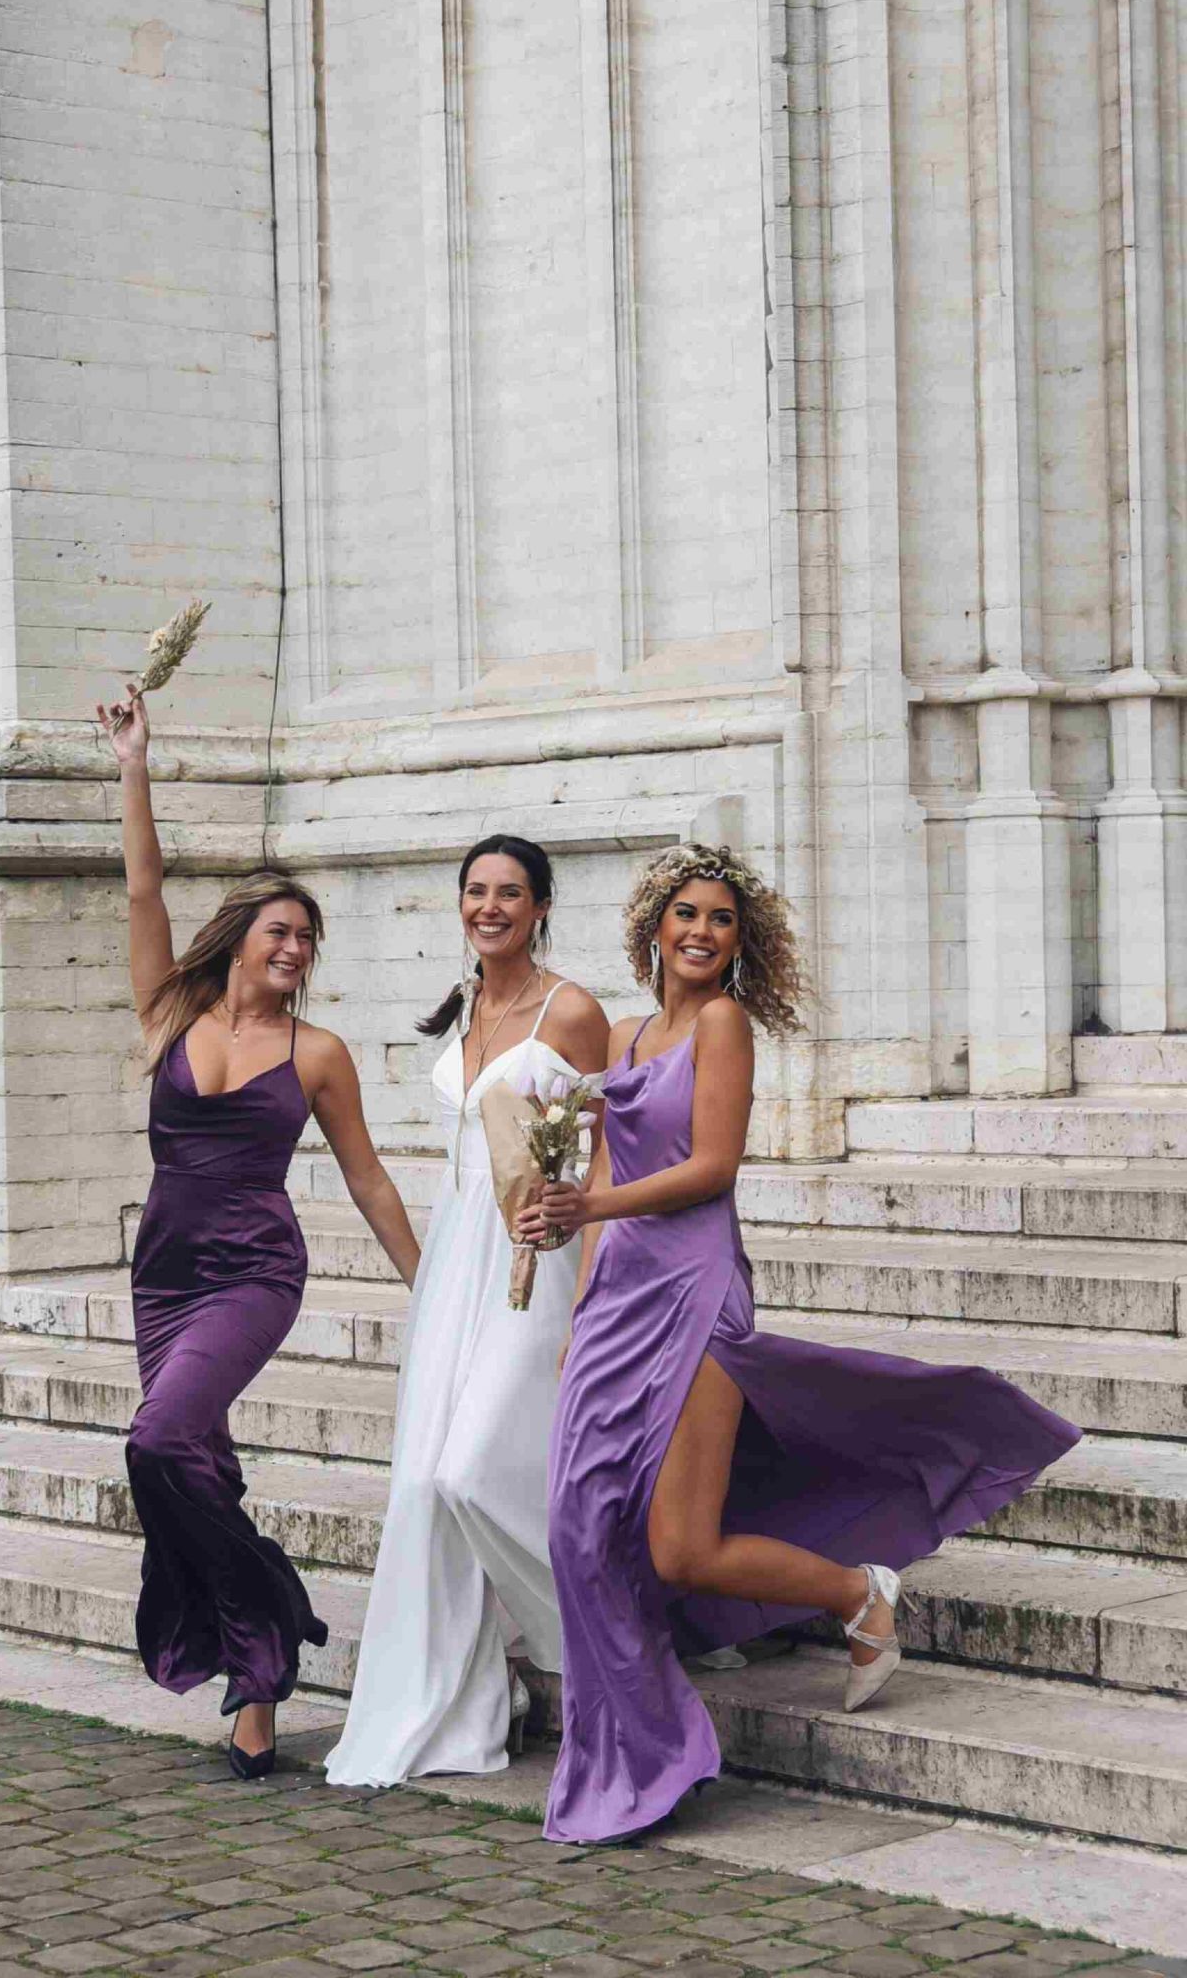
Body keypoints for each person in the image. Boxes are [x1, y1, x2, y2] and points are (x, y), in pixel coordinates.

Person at [522, 842, 1081, 1846]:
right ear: (653, 925)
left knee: (679, 1543)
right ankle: (632, 1744)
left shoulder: (724, 1026)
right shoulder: (623, 1028)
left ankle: (852, 1593)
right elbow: (598, 1181)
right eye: (685, 913)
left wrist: (589, 1200)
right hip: (613, 1304)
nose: (701, 931)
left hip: (694, 1296)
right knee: (575, 1526)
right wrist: (573, 1312)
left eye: (721, 919)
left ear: (740, 941)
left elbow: (710, 1167)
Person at [98, 682, 420, 1780]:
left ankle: (268, 1616)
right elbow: (143, 884)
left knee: (157, 1441)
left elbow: (369, 1178)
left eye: (308, 939)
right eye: (282, 930)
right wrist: (135, 762)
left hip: (252, 1269)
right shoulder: (171, 1013)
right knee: (199, 1465)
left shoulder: (317, 1051)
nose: (297, 948)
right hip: (165, 1268)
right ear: (239, 937)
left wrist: (431, 1282)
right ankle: (256, 1681)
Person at [325, 836, 609, 1786]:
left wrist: (582, 1252)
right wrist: (426, 1278)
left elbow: (607, 1151)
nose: (489, 907)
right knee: (421, 1490)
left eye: (510, 894)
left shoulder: (571, 1010)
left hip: (533, 1252)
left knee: (474, 1470)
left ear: (540, 908)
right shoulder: (466, 1009)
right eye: (475, 892)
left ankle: (603, 1637)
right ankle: (467, 1695)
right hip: (457, 1257)